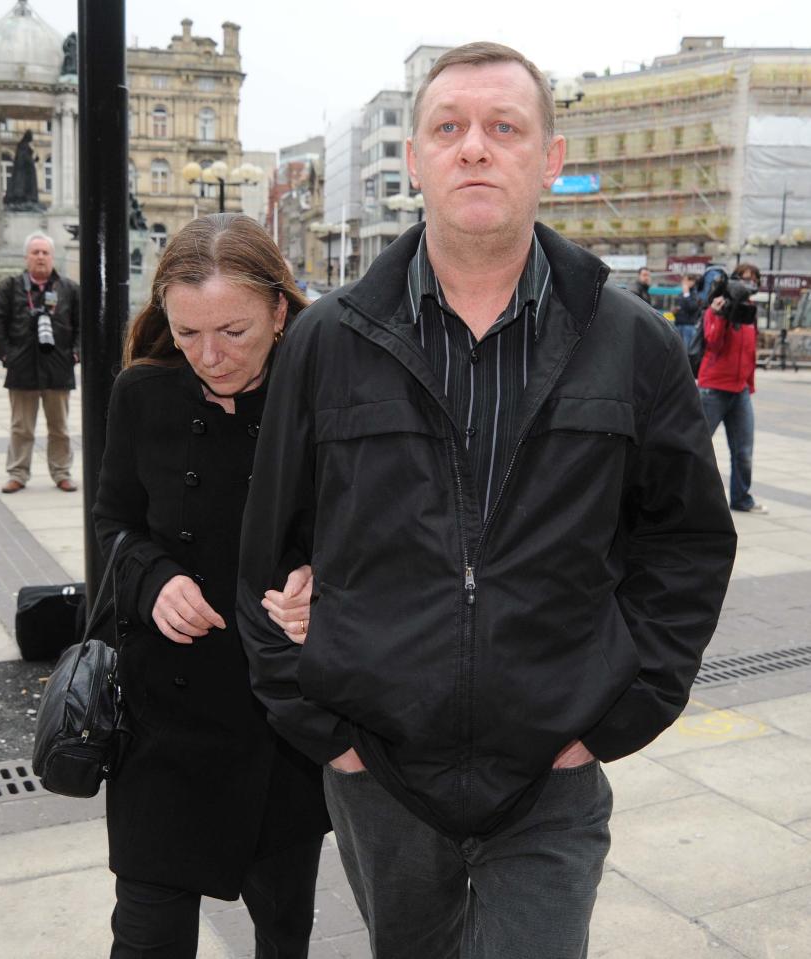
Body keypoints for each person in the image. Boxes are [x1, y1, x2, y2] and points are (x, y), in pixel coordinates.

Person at [237, 42, 737, 959]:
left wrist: (616, 716)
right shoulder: (324, 342)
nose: (475, 147)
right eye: (449, 128)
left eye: (504, 127)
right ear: (417, 160)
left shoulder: (633, 342)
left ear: (547, 158)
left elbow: (688, 546)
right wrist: (326, 733)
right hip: (380, 768)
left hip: (552, 770)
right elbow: (268, 551)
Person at [93, 213, 330, 958]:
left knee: (283, 931)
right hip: (164, 719)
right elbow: (114, 524)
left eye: (232, 330)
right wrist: (153, 578)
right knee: (146, 938)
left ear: (279, 310)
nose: (209, 355)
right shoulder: (142, 393)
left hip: (281, 719)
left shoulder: (324, 396)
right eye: (187, 332)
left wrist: (320, 578)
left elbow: (370, 526)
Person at [0, 231, 80, 493]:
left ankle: (61, 472)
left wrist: (75, 353)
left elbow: (82, 326)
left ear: (52, 257)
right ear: (26, 257)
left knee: (59, 428)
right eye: (35, 252)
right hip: (22, 369)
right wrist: (6, 354)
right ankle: (17, 473)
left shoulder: (69, 289)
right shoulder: (10, 287)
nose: (40, 257)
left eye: (45, 252)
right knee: (21, 427)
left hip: (58, 369)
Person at [698, 262, 766, 514]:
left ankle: (741, 498)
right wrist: (717, 315)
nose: (749, 284)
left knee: (744, 451)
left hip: (740, 391)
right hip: (712, 390)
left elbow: (750, 351)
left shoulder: (749, 313)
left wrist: (749, 383)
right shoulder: (717, 308)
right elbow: (713, 346)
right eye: (744, 279)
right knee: (696, 446)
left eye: (754, 280)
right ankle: (684, 496)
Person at [674, 273, 702, 349]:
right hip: (678, 324)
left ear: (692, 282)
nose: (683, 282)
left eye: (685, 280)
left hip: (688, 326)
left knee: (686, 351)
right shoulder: (681, 294)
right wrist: (675, 311)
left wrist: (686, 294)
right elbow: (680, 306)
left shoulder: (695, 294)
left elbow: (692, 308)